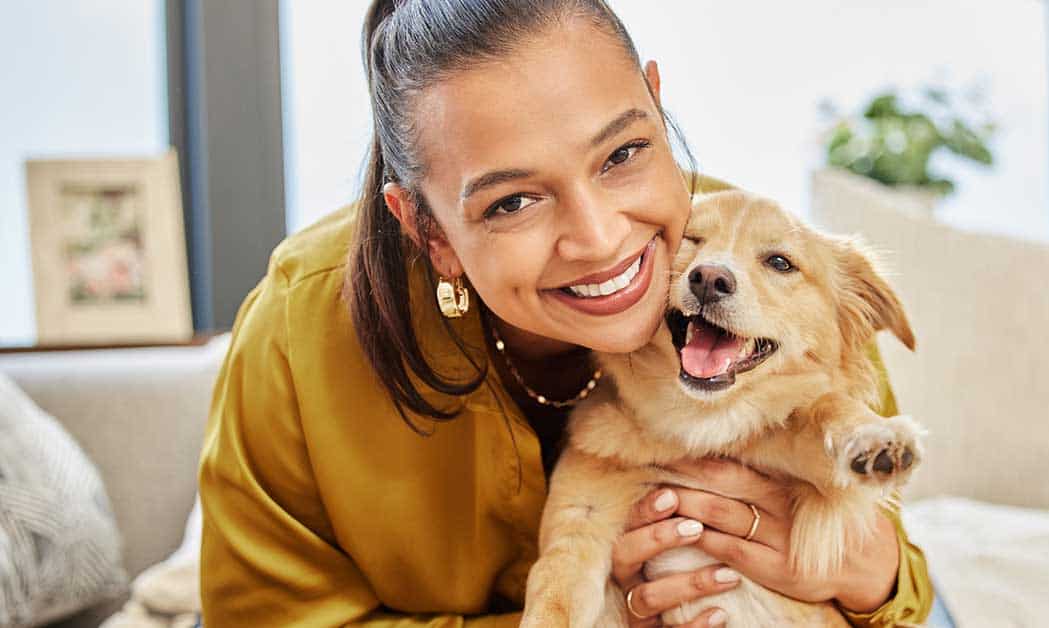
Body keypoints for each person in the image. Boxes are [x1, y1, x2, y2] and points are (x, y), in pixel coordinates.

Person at [197, 1, 937, 626]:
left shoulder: (772, 283)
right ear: (427, 230)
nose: (600, 239)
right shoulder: (297, 331)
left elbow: (900, 587)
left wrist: (872, 578)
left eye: (622, 153)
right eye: (512, 201)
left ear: (655, 104)